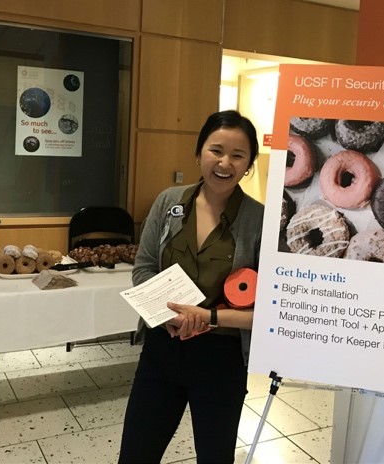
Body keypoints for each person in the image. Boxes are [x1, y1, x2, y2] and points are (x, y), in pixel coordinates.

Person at [119, 110, 264, 463]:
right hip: (162, 350)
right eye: (216, 150)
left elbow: (269, 310)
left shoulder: (260, 220)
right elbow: (144, 269)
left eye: (238, 155)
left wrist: (210, 316)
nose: (224, 163)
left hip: (222, 361)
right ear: (199, 153)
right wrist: (164, 314)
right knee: (136, 455)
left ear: (248, 164)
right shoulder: (169, 202)